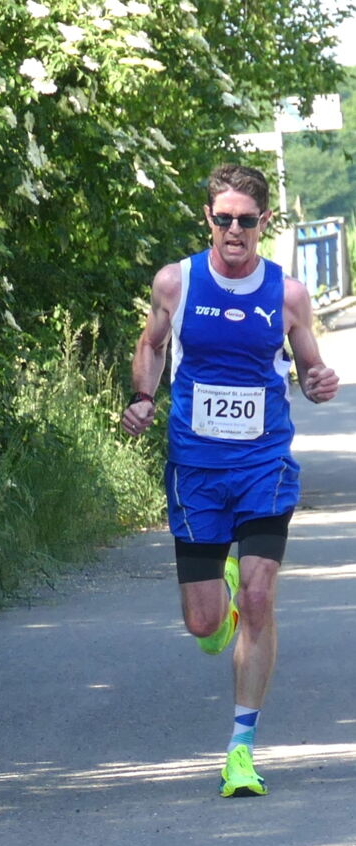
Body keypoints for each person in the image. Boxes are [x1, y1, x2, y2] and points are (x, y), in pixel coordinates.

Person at [121, 163, 338, 797]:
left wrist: (322, 384)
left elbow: (312, 370)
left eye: (247, 219)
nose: (235, 229)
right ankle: (224, 595)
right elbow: (154, 344)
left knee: (263, 600)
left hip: (264, 463)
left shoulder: (288, 294)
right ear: (208, 220)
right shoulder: (176, 281)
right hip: (196, 467)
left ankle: (241, 749)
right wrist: (142, 396)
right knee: (201, 623)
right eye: (224, 218)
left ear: (264, 222)